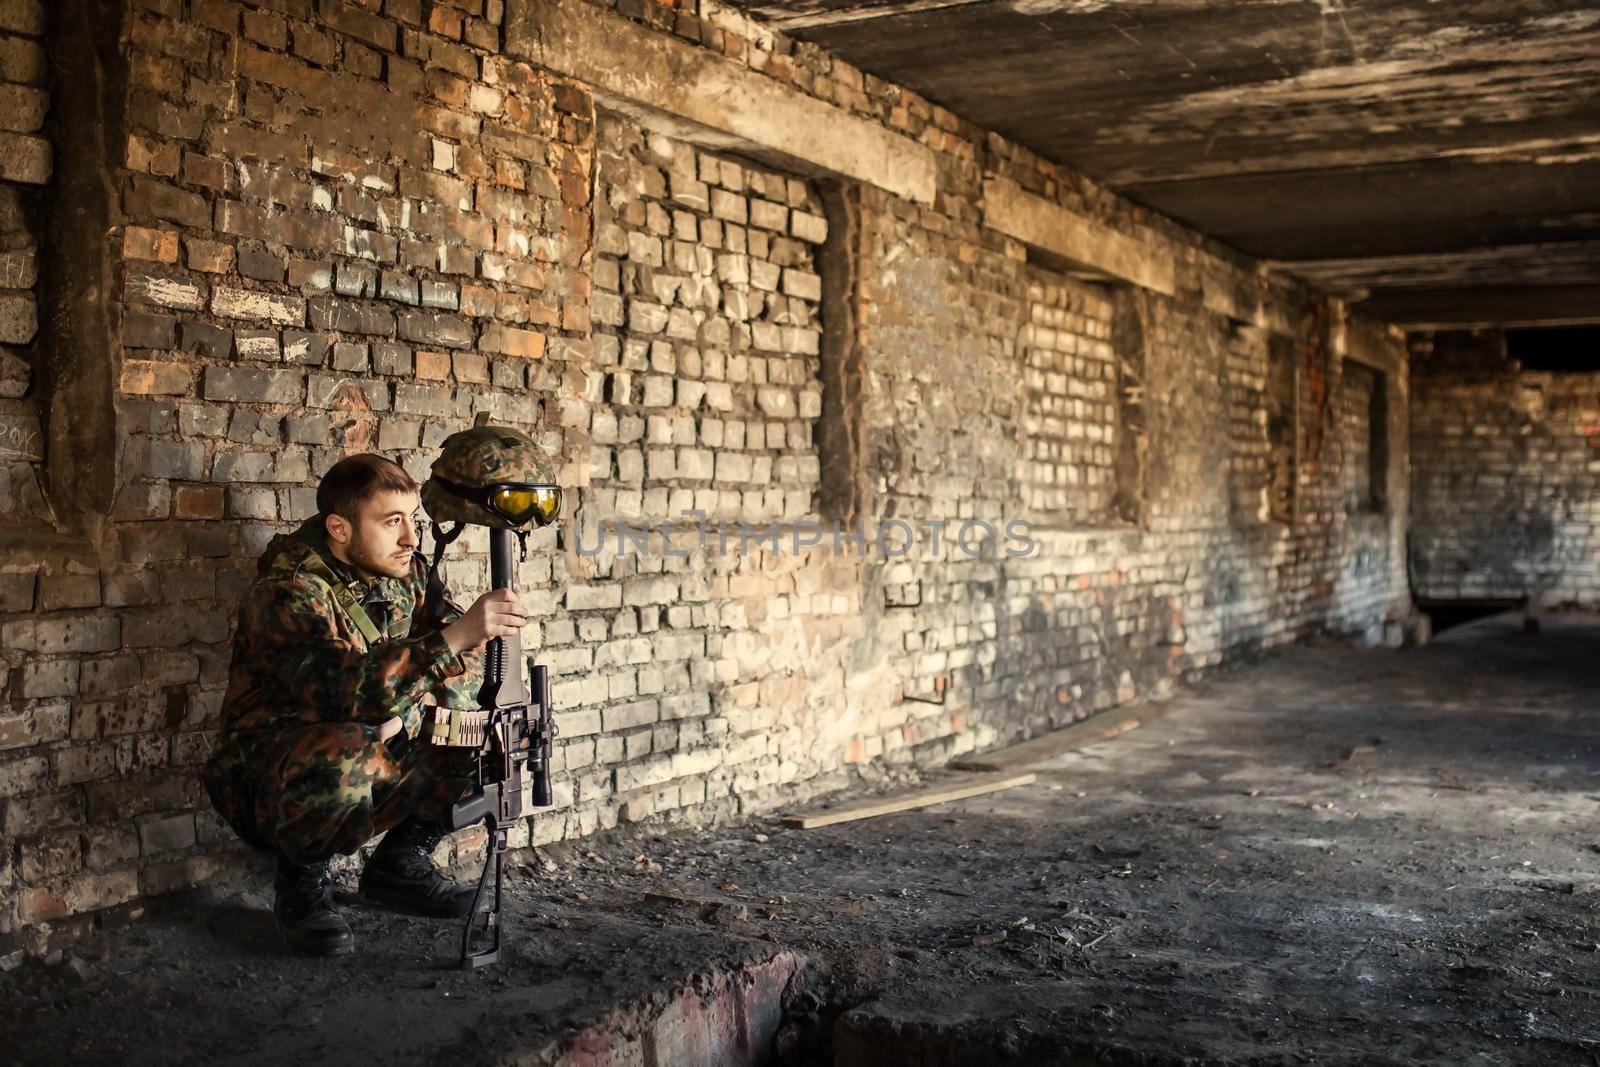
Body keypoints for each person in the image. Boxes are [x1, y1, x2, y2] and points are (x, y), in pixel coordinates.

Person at [202, 453, 527, 956]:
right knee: (349, 746)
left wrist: (417, 702)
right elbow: (341, 693)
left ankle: (399, 866)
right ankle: (302, 888)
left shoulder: (407, 572)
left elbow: (470, 663)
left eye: (414, 521)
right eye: (392, 522)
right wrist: (451, 642)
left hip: (374, 746)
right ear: (339, 527)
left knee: (488, 725)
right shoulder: (290, 591)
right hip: (269, 775)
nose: (411, 538)